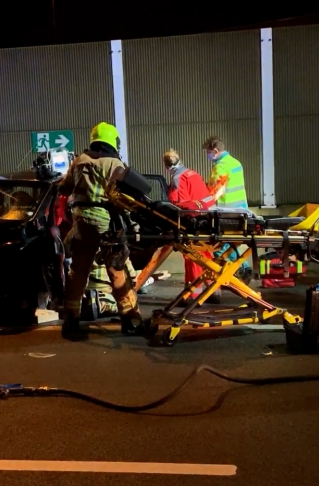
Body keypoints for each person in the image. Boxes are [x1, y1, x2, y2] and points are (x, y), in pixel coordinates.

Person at [58, 122, 144, 340]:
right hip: (107, 222)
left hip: (82, 222)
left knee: (78, 272)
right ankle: (130, 318)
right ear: (112, 141)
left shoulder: (79, 161)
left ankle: (71, 320)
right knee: (117, 269)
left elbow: (64, 188)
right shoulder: (115, 163)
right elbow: (134, 193)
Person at [163, 149, 220, 303]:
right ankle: (214, 291)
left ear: (166, 166)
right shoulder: (193, 173)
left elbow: (178, 204)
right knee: (207, 255)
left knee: (192, 255)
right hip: (210, 219)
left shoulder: (177, 178)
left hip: (194, 222)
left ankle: (193, 295)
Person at [202, 135, 252, 279]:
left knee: (219, 248)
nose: (207, 155)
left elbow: (214, 192)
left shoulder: (220, 167)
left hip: (226, 213)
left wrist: (202, 205)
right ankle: (243, 268)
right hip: (241, 211)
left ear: (215, 151)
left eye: (208, 152)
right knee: (231, 245)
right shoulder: (236, 163)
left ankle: (235, 273)